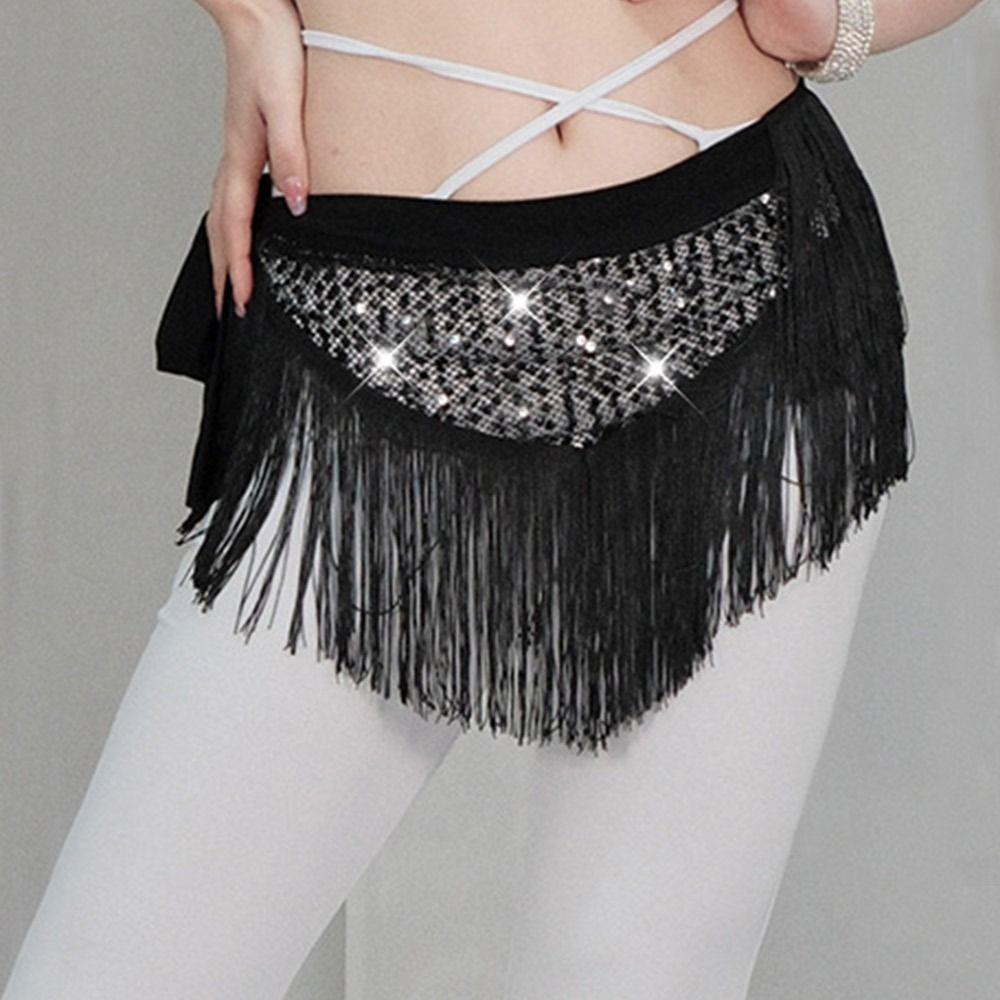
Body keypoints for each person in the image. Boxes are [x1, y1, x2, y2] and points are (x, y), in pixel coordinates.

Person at [1, 1, 982, 997]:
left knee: (637, 976)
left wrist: (834, 17)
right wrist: (246, 16)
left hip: (746, 281)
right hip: (374, 329)